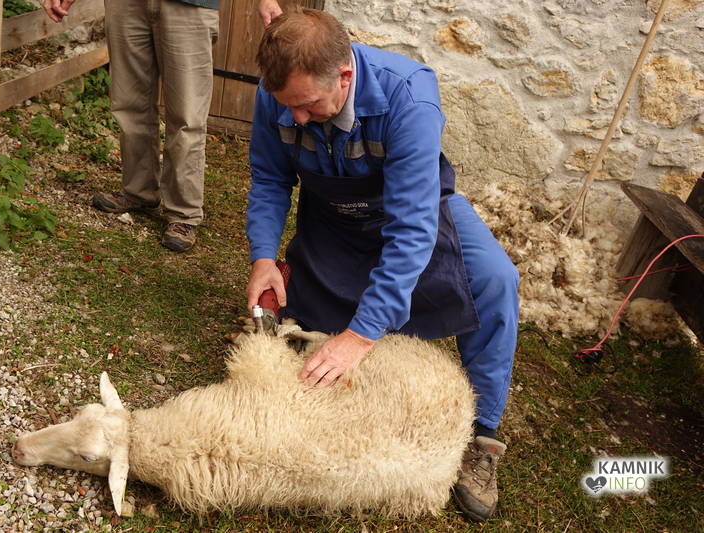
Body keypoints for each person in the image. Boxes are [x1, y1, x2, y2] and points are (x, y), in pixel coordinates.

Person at [244, 8, 519, 522]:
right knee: (309, 331)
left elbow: (412, 228)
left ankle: (483, 438)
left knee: (496, 281)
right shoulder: (275, 93)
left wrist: (362, 335)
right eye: (287, 106)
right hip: (332, 214)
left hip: (412, 209)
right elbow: (270, 179)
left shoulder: (409, 97)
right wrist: (263, 255)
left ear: (345, 76)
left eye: (308, 105)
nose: (296, 118)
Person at [43, 0, 220, 252]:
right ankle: (139, 191)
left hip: (189, 5)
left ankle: (184, 213)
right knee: (130, 104)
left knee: (187, 117)